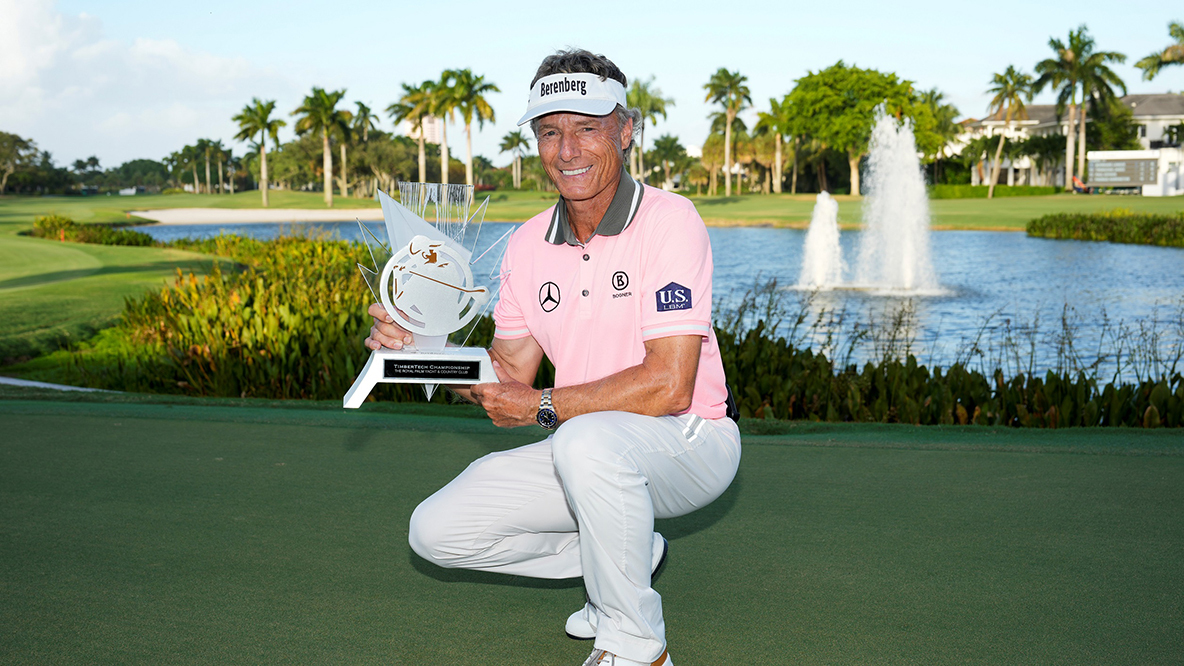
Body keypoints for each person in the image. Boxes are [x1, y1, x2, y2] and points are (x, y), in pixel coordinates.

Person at [364, 48, 741, 666]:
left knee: (584, 441)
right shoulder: (527, 243)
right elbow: (507, 375)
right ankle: (621, 559)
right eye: (548, 132)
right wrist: (422, 351)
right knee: (435, 531)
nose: (566, 151)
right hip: (584, 450)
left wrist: (542, 407)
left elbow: (670, 384)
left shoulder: (670, 220)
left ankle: (636, 647)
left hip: (690, 441)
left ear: (625, 129)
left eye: (587, 128)